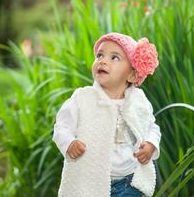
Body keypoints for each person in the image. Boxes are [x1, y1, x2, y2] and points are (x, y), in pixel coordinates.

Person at [52, 32, 161, 197]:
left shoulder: (139, 101)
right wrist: (69, 143)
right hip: (89, 183)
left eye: (114, 57)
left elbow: (152, 126)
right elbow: (62, 127)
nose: (102, 60)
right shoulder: (83, 98)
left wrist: (151, 144)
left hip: (129, 182)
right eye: (99, 55)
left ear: (132, 74)